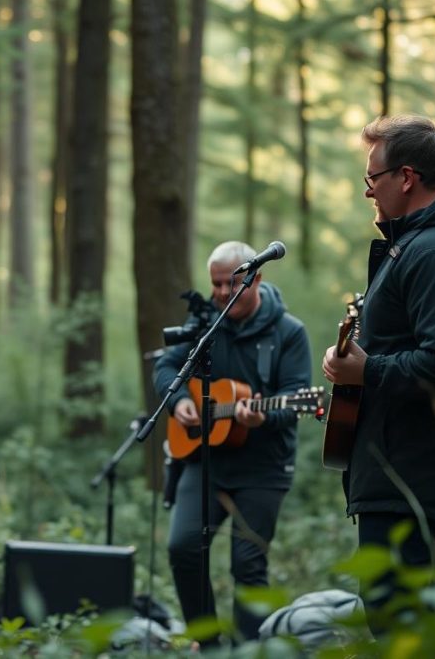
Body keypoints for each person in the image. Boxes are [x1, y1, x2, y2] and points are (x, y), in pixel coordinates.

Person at [322, 115, 435, 653]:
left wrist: (365, 370)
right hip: (409, 474)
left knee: (422, 629)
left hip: (419, 481)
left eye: (373, 178)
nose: (368, 190)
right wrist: (356, 383)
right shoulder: (422, 246)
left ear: (407, 176)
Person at [153, 241, 311, 641]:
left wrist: (262, 416)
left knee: (247, 564)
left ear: (256, 278)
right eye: (215, 284)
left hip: (263, 469)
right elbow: (167, 364)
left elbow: (295, 400)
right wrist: (179, 400)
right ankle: (206, 644)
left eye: (231, 283)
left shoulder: (288, 333)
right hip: (205, 461)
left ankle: (249, 649)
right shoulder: (207, 322)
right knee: (183, 547)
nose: (222, 293)